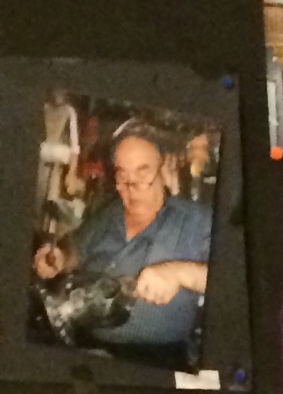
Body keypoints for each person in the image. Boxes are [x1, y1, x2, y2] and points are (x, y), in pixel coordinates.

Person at [32, 125, 212, 360]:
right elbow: (76, 249)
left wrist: (180, 273)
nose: (130, 188)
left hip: (152, 360)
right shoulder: (109, 213)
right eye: (122, 176)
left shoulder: (197, 220)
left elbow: (235, 280)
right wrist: (60, 259)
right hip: (76, 338)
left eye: (142, 173)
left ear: (165, 168)